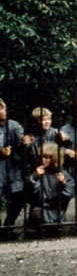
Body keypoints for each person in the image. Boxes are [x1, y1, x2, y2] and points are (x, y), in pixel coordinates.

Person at [25, 142, 74, 236]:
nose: (43, 160)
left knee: (54, 231)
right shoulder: (38, 172)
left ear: (54, 159)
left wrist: (63, 184)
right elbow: (31, 196)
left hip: (56, 211)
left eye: (47, 157)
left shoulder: (63, 174)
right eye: (42, 157)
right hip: (40, 210)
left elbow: (67, 196)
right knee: (36, 215)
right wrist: (35, 177)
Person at [0, 98, 26, 229]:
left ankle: (9, 224)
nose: (2, 111)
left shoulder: (14, 126)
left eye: (3, 108)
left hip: (13, 168)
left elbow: (22, 146)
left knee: (19, 195)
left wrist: (23, 143)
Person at [22, 107, 60, 175]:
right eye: (44, 120)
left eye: (49, 119)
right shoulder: (31, 137)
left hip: (54, 170)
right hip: (37, 170)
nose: (47, 122)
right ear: (37, 121)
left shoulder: (55, 133)